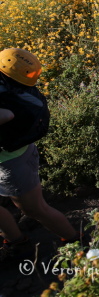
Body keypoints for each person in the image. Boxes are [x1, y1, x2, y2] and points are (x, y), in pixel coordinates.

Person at [0, 49, 79, 257]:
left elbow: (6, 115)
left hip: (13, 162)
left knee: (35, 209)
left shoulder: (9, 95)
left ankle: (76, 243)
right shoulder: (17, 85)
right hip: (11, 157)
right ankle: (16, 241)